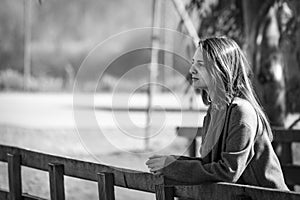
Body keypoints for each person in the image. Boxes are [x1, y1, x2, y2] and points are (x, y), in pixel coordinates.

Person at [145, 36, 289, 190]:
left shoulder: (241, 112)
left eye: (201, 64)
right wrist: (173, 162)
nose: (192, 69)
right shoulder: (213, 113)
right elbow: (209, 165)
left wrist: (173, 168)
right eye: (193, 63)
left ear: (220, 69)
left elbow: (228, 171)